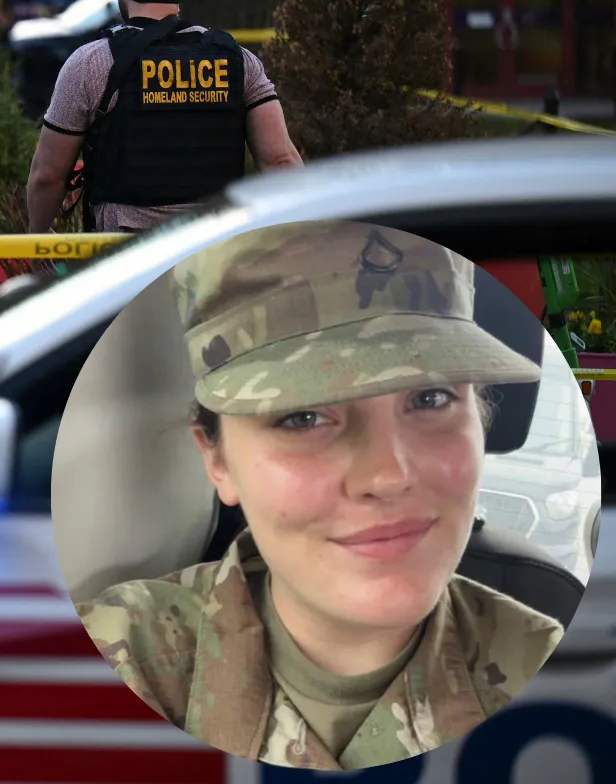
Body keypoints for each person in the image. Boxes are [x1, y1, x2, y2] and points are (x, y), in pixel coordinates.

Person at [77, 220, 561, 769]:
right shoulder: (122, 654)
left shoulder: (556, 667)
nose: (387, 475)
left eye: (430, 398)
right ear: (217, 460)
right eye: (303, 417)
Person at [25, 0, 303, 234]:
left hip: (125, 255)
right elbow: (280, 160)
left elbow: (47, 175)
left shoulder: (91, 63)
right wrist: (303, 237)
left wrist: (38, 240)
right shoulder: (237, 60)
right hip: (213, 247)